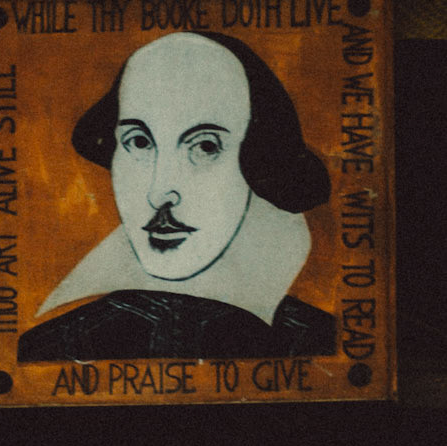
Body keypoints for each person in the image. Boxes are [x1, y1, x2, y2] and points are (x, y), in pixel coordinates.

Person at [18, 32, 336, 362]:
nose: (160, 193)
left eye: (206, 146)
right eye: (139, 142)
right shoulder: (48, 350)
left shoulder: (320, 346)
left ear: (260, 159)